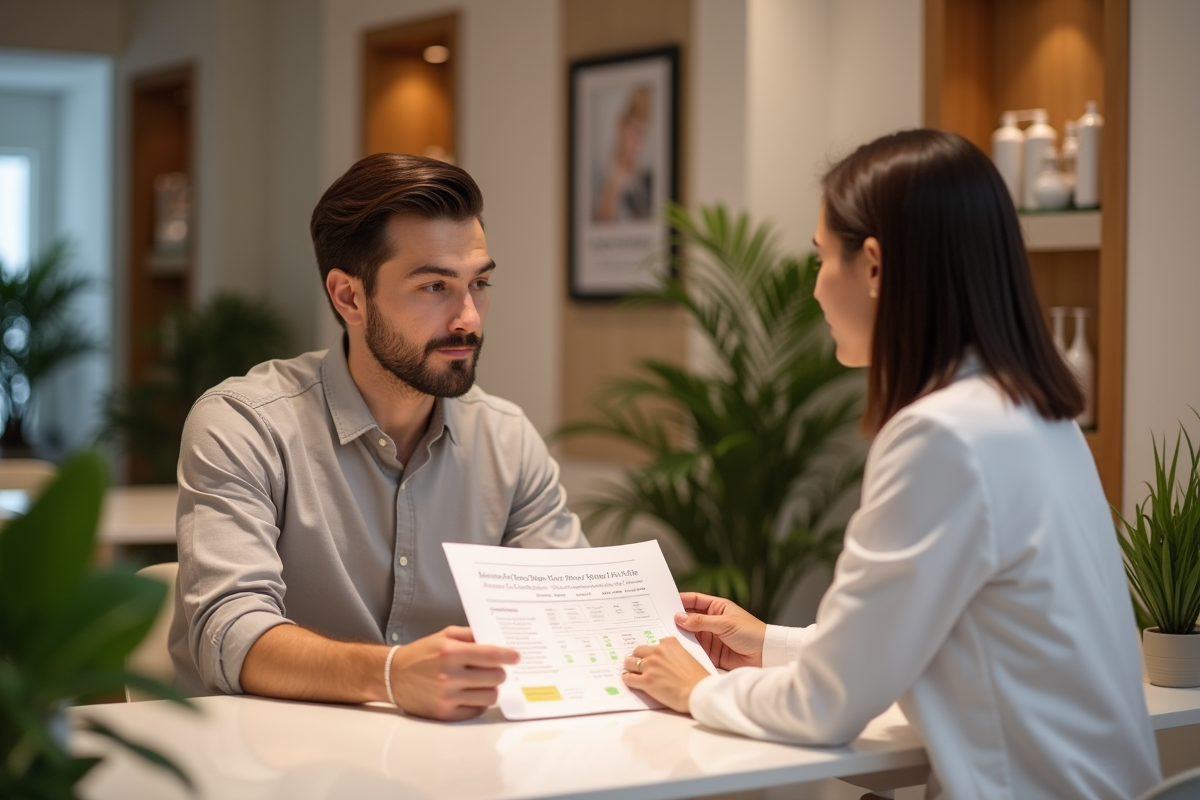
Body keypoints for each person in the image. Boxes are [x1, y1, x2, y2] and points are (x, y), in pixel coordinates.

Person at [620, 130, 1161, 799]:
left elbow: (827, 707)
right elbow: (916, 641)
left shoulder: (941, 437)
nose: (816, 289)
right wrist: (768, 643)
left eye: (822, 258)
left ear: (874, 267)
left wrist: (697, 689)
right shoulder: (1039, 415)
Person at [168, 153, 588, 721]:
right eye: (435, 286)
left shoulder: (507, 439)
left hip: (450, 756)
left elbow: (567, 611)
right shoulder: (245, 425)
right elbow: (229, 632)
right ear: (349, 297)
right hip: (260, 755)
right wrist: (390, 675)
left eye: (479, 283)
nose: (468, 318)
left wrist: (659, 630)